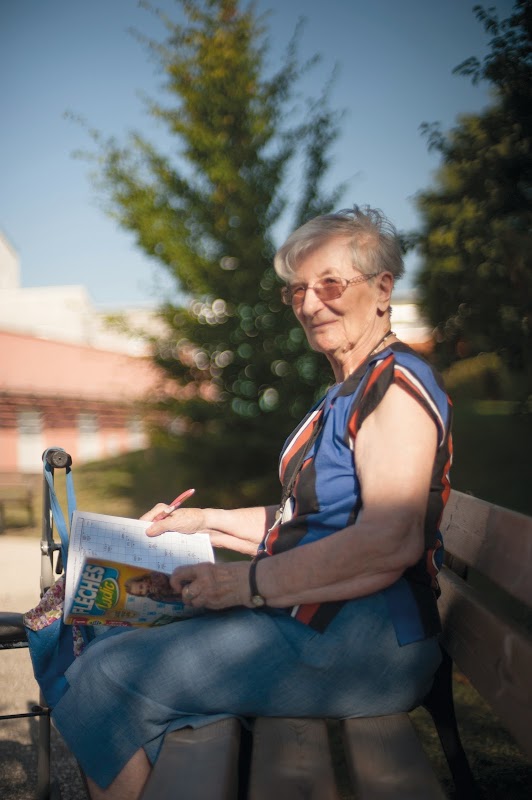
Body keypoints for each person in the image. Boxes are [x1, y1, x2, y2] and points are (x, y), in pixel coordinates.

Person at [52, 205, 452, 800]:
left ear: (383, 288)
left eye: (330, 284)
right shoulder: (350, 386)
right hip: (324, 615)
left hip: (366, 639)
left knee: (107, 677)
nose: (310, 304)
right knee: (108, 633)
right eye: (297, 291)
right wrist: (205, 521)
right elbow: (303, 519)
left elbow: (388, 540)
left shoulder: (392, 387)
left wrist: (245, 585)